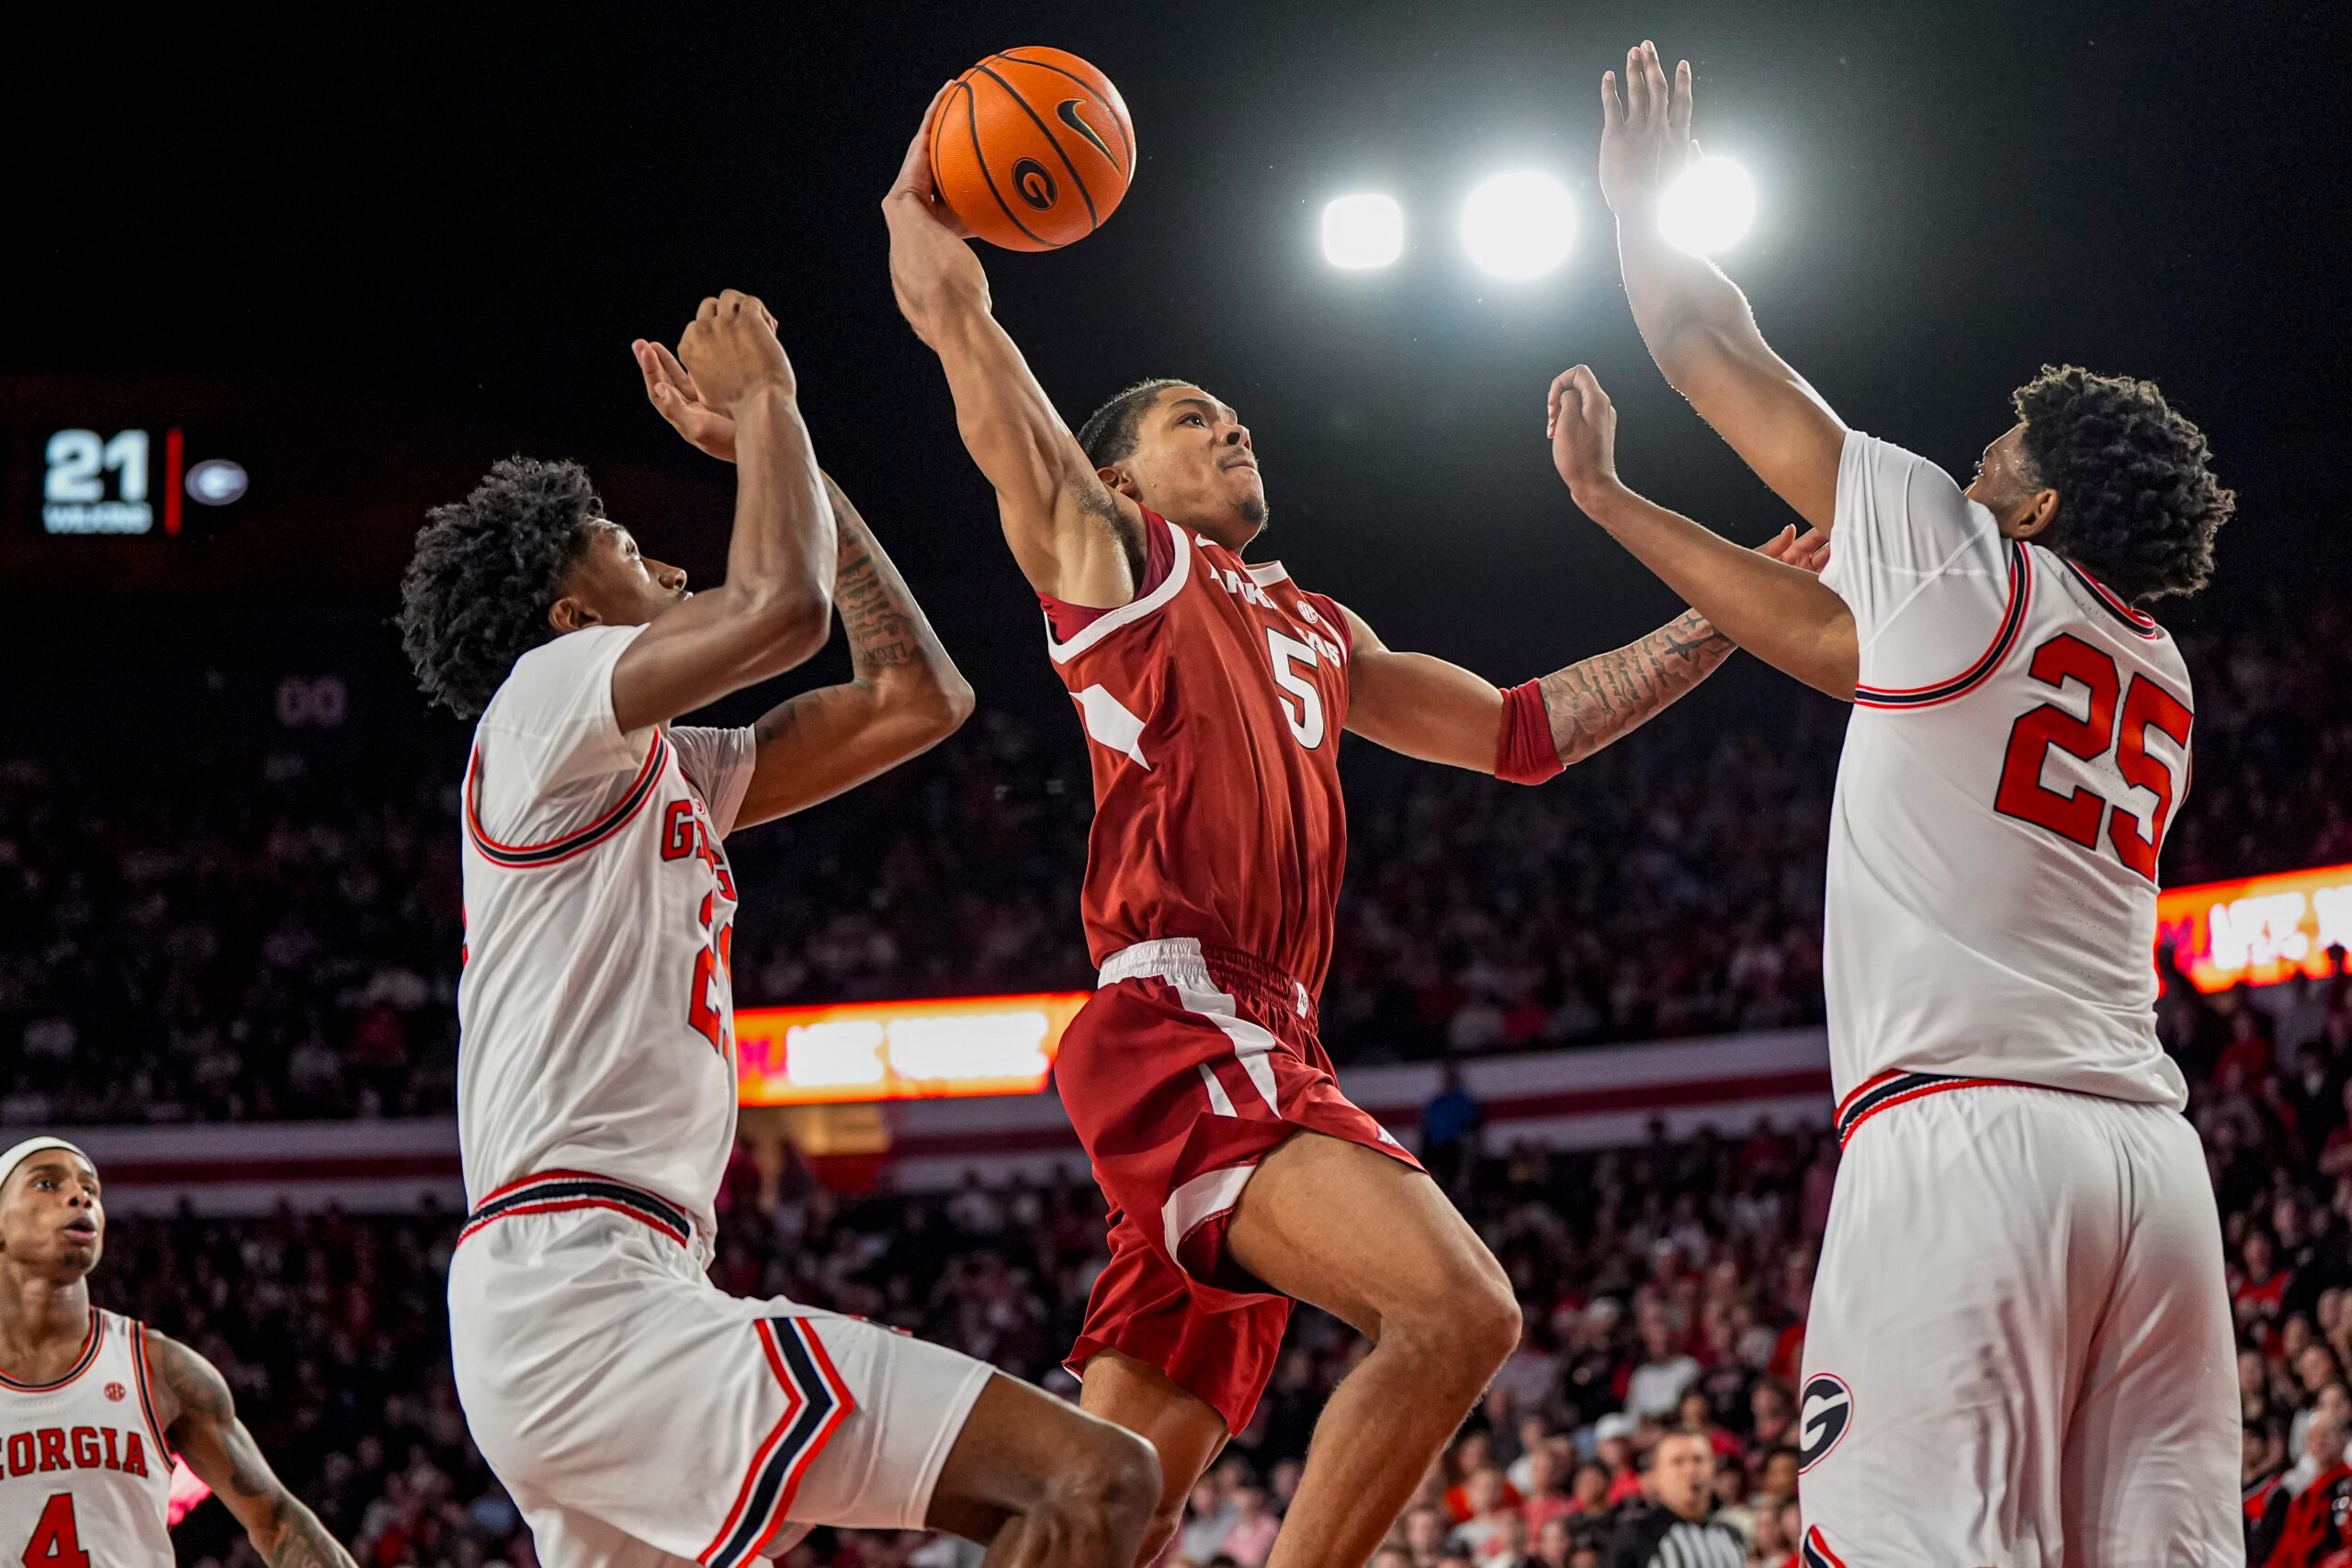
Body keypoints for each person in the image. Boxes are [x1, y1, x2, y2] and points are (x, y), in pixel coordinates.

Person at [881, 85, 1826, 1568]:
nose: (1234, 426)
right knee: (1460, 1311)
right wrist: (923, 219)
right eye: (1198, 421)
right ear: (1119, 477)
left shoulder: (1320, 624)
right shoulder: (1114, 560)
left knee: (1101, 1501)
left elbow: (1527, 731)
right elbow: (974, 356)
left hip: (1272, 1032)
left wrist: (1714, 599)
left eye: (1237, 413)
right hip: (1185, 1018)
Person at [1555, 39, 2242, 1563]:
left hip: (1965, 1145)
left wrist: (1641, 209)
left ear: (2042, 501)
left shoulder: (1957, 554)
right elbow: (1816, 637)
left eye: (2002, 450)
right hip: (2148, 1170)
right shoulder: (2160, 667)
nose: (1974, 454)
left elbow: (1699, 342)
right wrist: (1617, 507)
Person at [398, 290, 1159, 1568]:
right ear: (567, 615)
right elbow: (779, 609)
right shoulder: (542, 702)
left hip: (602, 1289)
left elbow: (917, 696)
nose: (673, 564)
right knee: (1090, 1481)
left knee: (1069, 1495)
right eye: (626, 544)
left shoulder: (664, 766)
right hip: (579, 1287)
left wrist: (785, 447)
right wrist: (766, 405)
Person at [0, 1138, 357, 1568]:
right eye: (46, 1184)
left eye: (91, 1189)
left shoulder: (158, 1368)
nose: (80, 1196)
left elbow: (277, 1522)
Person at [1603, 1430, 1743, 1568]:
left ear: (1714, 1470)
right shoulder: (1636, 1534)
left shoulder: (1730, 1534)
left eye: (1699, 1460)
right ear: (1655, 1476)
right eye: (1678, 1462)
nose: (1690, 1470)